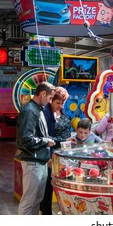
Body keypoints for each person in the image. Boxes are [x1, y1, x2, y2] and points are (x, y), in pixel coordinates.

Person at [16, 81, 56, 215]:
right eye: (50, 98)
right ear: (43, 94)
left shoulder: (38, 110)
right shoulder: (29, 110)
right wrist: (45, 141)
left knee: (36, 200)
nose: (50, 102)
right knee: (29, 200)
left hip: (40, 160)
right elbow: (25, 139)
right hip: (32, 161)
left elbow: (40, 135)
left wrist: (54, 140)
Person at [40, 86, 71, 215]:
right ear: (51, 100)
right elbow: (44, 137)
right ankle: (45, 212)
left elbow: (67, 135)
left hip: (61, 155)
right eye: (58, 103)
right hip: (47, 155)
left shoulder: (64, 115)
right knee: (47, 186)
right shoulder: (44, 114)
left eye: (63, 103)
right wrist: (62, 139)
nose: (60, 106)